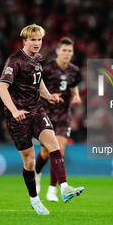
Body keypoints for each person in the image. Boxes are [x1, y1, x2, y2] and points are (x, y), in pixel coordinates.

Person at [0, 24, 84, 215]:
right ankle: (34, 199)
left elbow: (38, 80)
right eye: (33, 40)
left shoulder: (38, 59)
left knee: (53, 143)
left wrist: (48, 95)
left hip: (36, 110)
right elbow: (2, 89)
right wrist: (13, 110)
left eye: (39, 39)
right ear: (25, 41)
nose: (37, 43)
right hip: (18, 117)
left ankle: (64, 188)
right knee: (29, 161)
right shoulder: (14, 61)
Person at [34, 37, 82, 202]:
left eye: (70, 51)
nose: (67, 53)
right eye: (64, 50)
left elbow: (73, 87)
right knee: (46, 152)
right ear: (57, 51)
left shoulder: (75, 70)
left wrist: (76, 97)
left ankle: (53, 190)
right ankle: (36, 173)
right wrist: (48, 96)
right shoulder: (47, 68)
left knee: (59, 150)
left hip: (63, 115)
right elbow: (34, 88)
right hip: (45, 114)